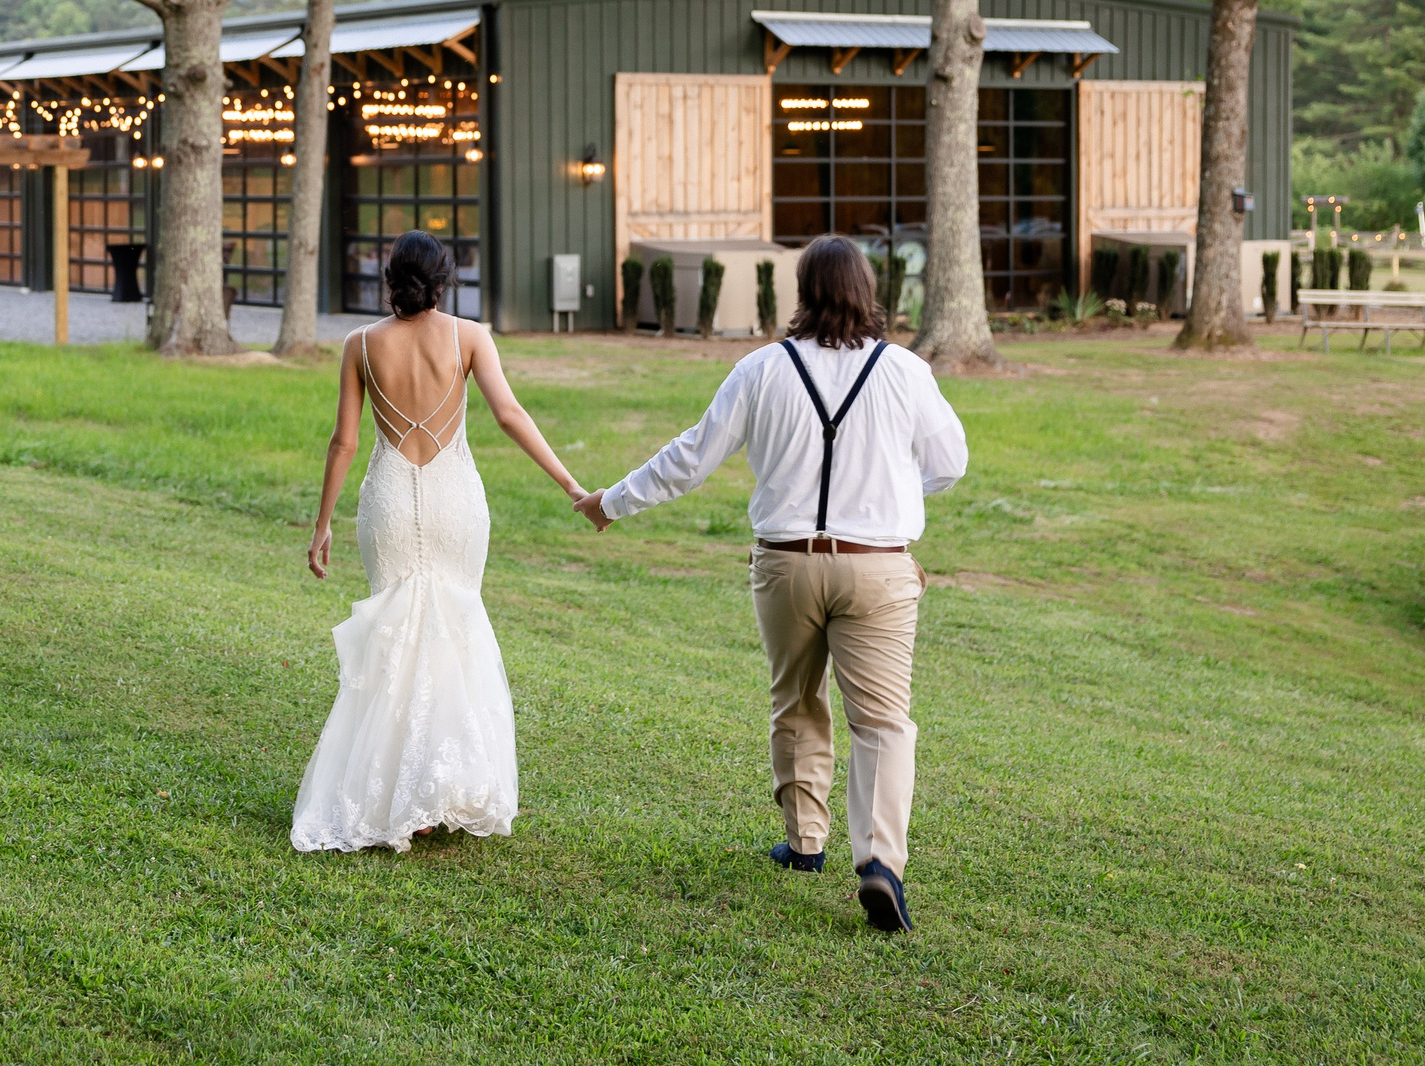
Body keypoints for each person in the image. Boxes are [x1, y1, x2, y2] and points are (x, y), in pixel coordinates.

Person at [575, 234, 967, 931]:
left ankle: (805, 841)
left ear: (804, 291)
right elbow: (950, 461)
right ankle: (879, 863)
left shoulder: (761, 369)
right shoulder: (906, 370)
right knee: (881, 721)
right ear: (866, 290)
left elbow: (690, 457)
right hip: (878, 566)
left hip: (785, 562)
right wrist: (894, 508)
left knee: (796, 698)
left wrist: (612, 502)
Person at [291, 230, 588, 853]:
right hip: (456, 501)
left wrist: (321, 524)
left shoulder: (360, 344)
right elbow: (510, 414)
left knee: (396, 640)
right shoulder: (471, 336)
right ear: (444, 278)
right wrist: (570, 484)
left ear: (390, 278)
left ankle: (399, 789)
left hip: (390, 503)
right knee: (453, 633)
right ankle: (442, 785)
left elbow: (343, 442)